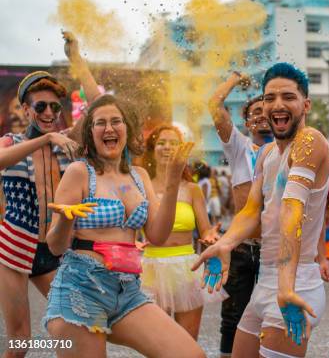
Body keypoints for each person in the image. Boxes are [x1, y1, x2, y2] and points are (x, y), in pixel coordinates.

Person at [43, 94, 205, 357]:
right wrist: (65, 219)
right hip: (81, 289)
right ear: (91, 132)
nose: (109, 128)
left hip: (128, 291)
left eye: (116, 121)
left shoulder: (139, 176)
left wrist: (174, 181)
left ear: (127, 130)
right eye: (100, 123)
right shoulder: (79, 172)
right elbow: (55, 246)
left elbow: (157, 235)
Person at [193, 62, 329, 358]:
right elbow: (252, 211)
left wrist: (285, 286)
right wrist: (226, 243)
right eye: (270, 98)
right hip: (266, 281)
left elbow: (291, 211)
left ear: (305, 104)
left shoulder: (309, 141)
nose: (277, 105)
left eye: (288, 97)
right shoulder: (267, 153)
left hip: (295, 284)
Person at [0, 32, 101, 358]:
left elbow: (98, 104)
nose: (48, 112)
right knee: (20, 342)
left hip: (52, 251)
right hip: (13, 248)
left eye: (54, 107)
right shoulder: (12, 143)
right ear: (26, 110)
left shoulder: (67, 141)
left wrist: (78, 60)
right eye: (40, 106)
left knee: (74, 327)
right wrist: (47, 140)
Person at [208, 72, 273, 356]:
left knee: (271, 317)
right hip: (242, 248)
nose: (261, 116)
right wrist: (235, 77)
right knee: (233, 317)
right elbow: (214, 103)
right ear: (246, 123)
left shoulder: (288, 149)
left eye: (266, 111)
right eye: (254, 113)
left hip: (273, 248)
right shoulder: (239, 147)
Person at [141, 124, 219, 340]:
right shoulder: (142, 186)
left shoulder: (192, 189)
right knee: (157, 343)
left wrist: (211, 236)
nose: (167, 147)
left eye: (174, 143)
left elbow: (205, 229)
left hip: (186, 269)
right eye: (161, 143)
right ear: (152, 149)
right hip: (151, 270)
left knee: (186, 343)